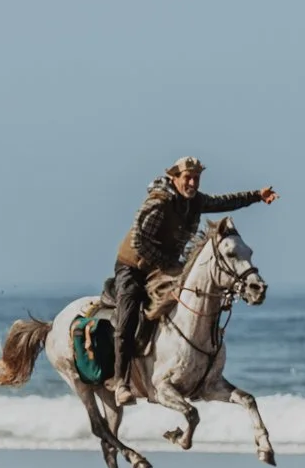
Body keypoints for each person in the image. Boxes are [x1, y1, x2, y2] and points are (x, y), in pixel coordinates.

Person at [111, 156, 277, 368]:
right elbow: (138, 241)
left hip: (164, 267)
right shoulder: (159, 203)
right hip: (133, 267)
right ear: (174, 178)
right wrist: (169, 263)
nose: (192, 183)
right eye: (188, 178)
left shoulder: (195, 201)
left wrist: (256, 196)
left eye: (196, 178)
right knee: (128, 315)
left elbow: (224, 202)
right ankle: (120, 381)